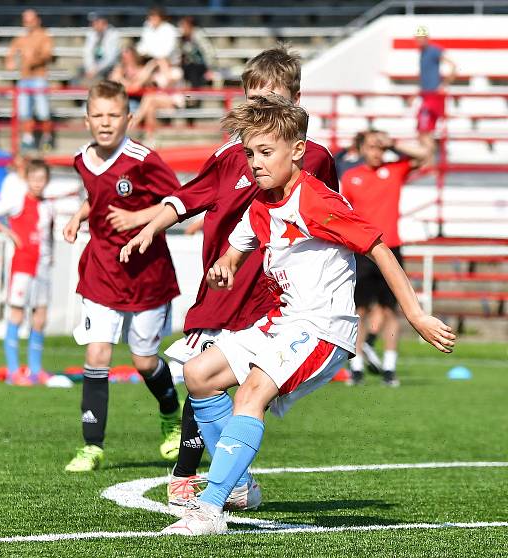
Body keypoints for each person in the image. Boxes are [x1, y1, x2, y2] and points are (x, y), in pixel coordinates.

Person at [126, 94, 455, 535]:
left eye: (265, 153)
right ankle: (238, 483)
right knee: (199, 373)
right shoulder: (262, 204)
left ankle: (209, 509)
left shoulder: (316, 201)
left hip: (324, 327)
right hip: (283, 322)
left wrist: (415, 315)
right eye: (249, 153)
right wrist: (224, 266)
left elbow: (377, 247)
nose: (255, 163)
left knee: (251, 394)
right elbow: (237, 248)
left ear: (297, 151)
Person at [121, 45, 339, 513]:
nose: (261, 110)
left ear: (296, 100)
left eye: (273, 100)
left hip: (270, 293)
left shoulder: (312, 157)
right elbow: (188, 198)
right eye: (254, 100)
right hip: (221, 288)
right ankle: (221, 479)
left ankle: (205, 482)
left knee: (238, 387)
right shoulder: (228, 154)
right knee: (200, 376)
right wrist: (152, 225)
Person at [62, 80, 182, 472]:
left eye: (114, 115)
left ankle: (170, 415)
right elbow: (97, 196)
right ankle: (92, 447)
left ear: (128, 118)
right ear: (87, 119)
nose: (106, 122)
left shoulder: (143, 159)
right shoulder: (82, 158)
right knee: (97, 354)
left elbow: (178, 202)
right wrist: (78, 217)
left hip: (147, 274)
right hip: (101, 271)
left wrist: (136, 218)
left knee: (144, 361)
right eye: (98, 115)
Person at [341, 130, 428, 387]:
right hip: (363, 251)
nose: (376, 152)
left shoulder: (396, 169)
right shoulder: (351, 177)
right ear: (361, 149)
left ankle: (389, 368)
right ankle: (356, 367)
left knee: (391, 311)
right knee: (359, 310)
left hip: (392, 249)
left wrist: (394, 143)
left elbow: (426, 155)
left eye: (380, 147)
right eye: (371, 146)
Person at [0, 159, 54, 386]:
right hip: (22, 266)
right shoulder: (17, 201)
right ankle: (13, 372)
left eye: (41, 179)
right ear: (27, 179)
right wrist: (8, 232)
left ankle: (35, 369)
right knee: (17, 315)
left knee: (39, 318)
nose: (37, 184)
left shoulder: (49, 206)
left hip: (43, 267)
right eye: (34, 179)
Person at [5, 9, 54, 151]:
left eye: (30, 20)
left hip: (39, 77)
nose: (28, 23)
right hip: (25, 78)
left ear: (37, 20)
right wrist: (10, 62)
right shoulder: (20, 39)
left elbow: (48, 55)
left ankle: (46, 138)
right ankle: (28, 139)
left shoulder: (44, 36)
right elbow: (10, 55)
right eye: (25, 20)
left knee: (43, 111)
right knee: (24, 111)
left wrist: (34, 59)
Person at [415, 25, 456, 166]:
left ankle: (429, 163)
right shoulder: (422, 52)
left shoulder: (433, 51)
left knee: (424, 130)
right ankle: (429, 163)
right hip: (426, 95)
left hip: (433, 96)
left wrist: (444, 84)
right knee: (424, 131)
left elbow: (452, 65)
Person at [80, 12, 120, 84]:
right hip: (93, 67)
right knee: (78, 74)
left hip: (108, 67)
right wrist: (90, 68)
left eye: (96, 22)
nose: (94, 25)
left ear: (104, 22)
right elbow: (87, 53)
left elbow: (110, 58)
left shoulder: (113, 34)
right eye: (93, 22)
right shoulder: (91, 33)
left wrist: (96, 69)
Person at [178, 16, 216, 89]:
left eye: (183, 26)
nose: (181, 29)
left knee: (193, 71)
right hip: (190, 65)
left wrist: (210, 69)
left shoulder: (198, 35)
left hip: (202, 65)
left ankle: (195, 95)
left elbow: (208, 52)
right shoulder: (183, 38)